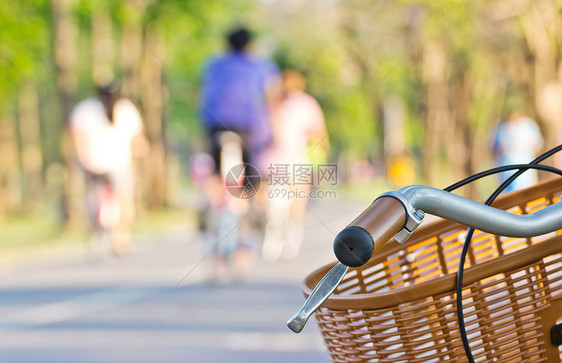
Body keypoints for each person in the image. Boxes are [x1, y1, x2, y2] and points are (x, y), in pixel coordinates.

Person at [199, 26, 280, 282]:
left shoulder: (214, 65)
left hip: (215, 128)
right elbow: (271, 98)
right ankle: (256, 214)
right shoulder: (260, 65)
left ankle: (209, 201)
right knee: (252, 187)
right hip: (247, 130)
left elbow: (204, 97)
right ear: (249, 44)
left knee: (214, 180)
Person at [69, 84, 149, 255]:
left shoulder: (85, 109)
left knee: (95, 195)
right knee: (126, 201)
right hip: (118, 164)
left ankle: (96, 223)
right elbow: (138, 140)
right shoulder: (126, 109)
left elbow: (77, 136)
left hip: (94, 164)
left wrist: (83, 159)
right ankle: (121, 238)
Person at [262, 70, 329, 261]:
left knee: (289, 205)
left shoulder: (291, 104)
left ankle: (286, 241)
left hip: (292, 160)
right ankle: (280, 241)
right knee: (278, 206)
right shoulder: (277, 104)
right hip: (282, 161)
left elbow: (318, 132)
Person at [491, 112, 543, 192]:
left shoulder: (528, 124)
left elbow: (538, 145)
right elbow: (492, 148)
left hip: (525, 173)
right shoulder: (499, 128)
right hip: (506, 172)